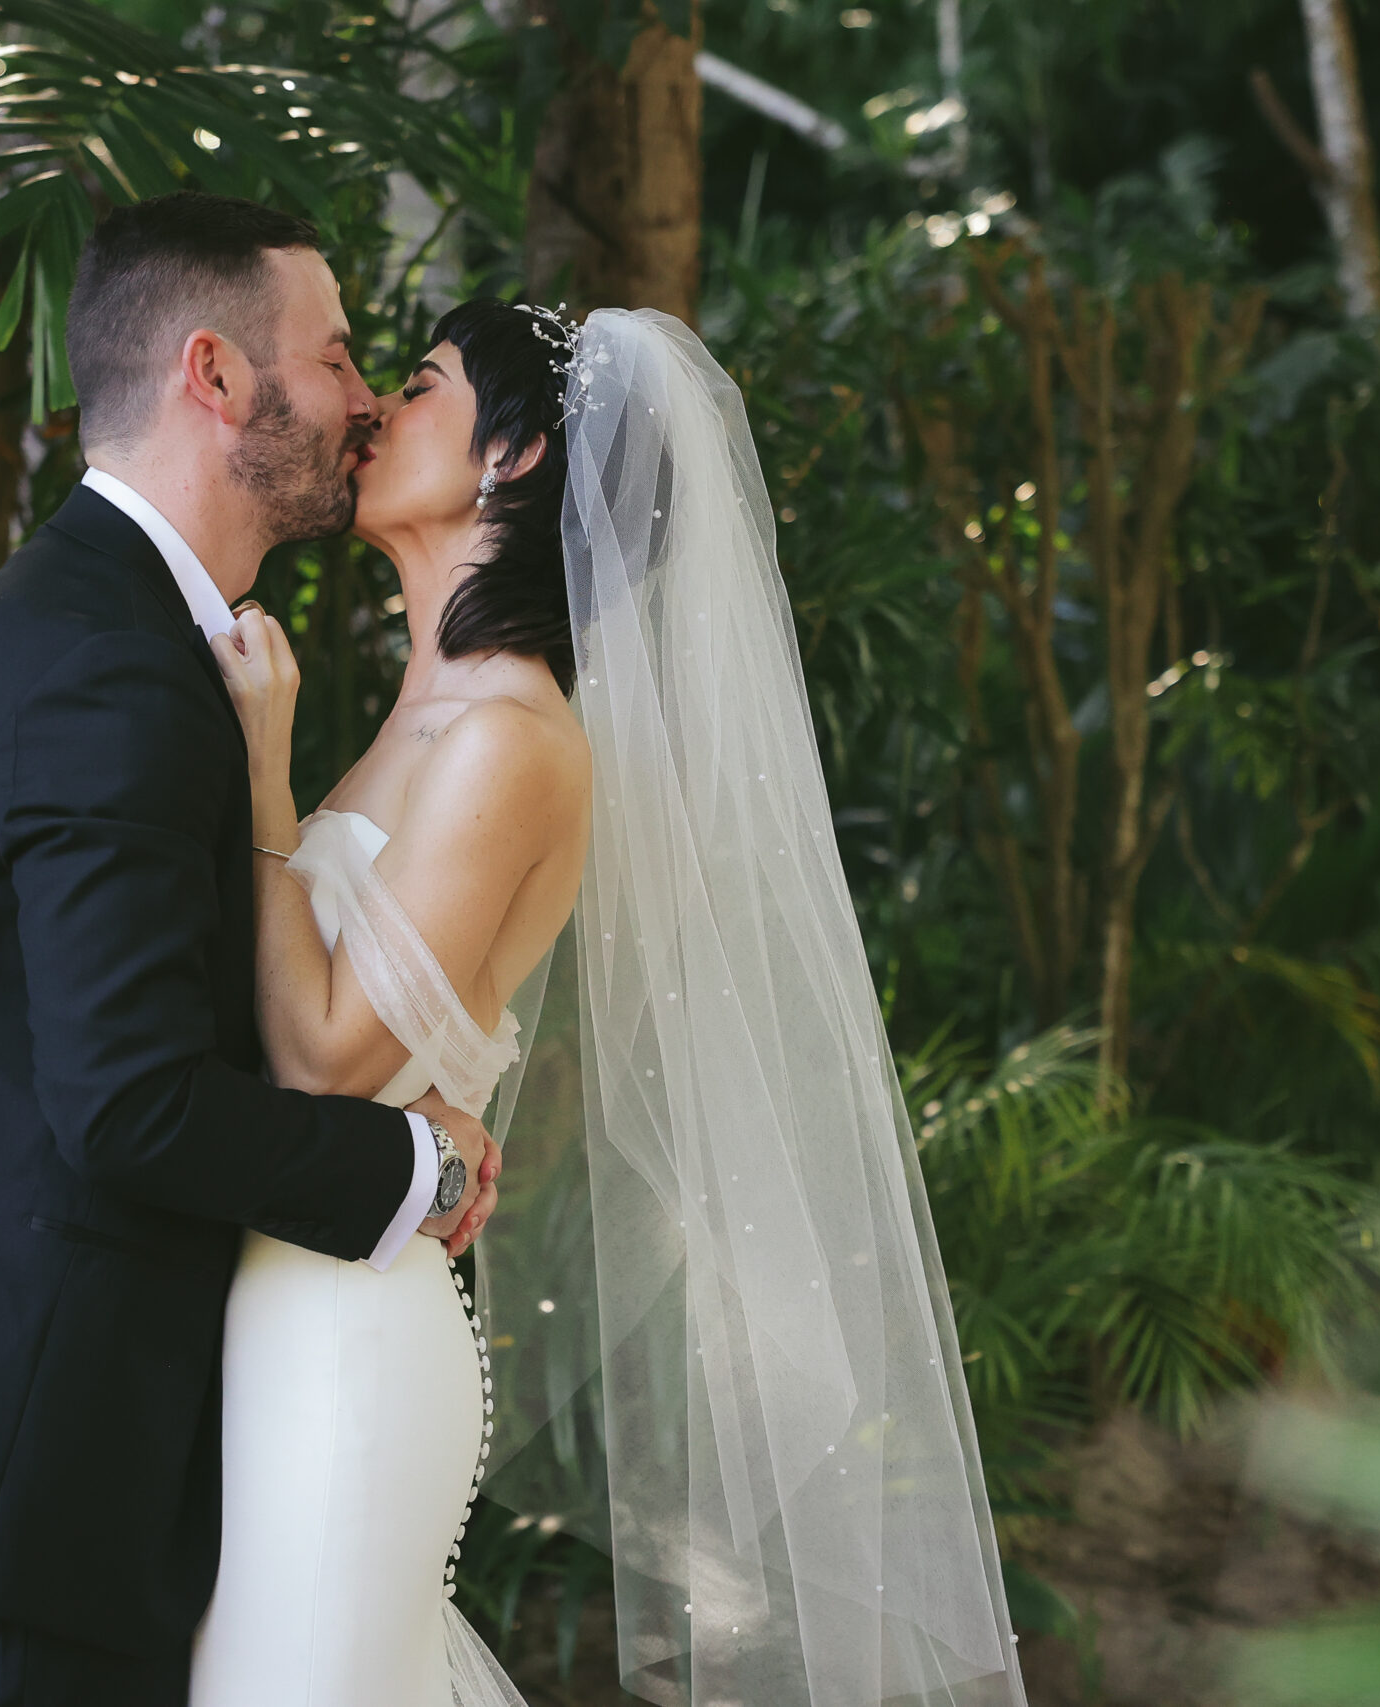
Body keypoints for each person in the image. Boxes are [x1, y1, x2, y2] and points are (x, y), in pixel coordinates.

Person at [202, 297, 1030, 1705]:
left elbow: (333, 1059)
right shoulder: (428, 712)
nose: (376, 412)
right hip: (273, 1306)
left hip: (344, 1336)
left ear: (513, 461)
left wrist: (264, 777)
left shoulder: (512, 739)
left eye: (418, 384)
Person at [0, 191, 504, 1707]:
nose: (365, 398)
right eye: (341, 354)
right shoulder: (110, 669)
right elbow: (129, 1101)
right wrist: (411, 1172)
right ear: (217, 376)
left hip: (16, 1431)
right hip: (29, 1456)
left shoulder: (90, 629)